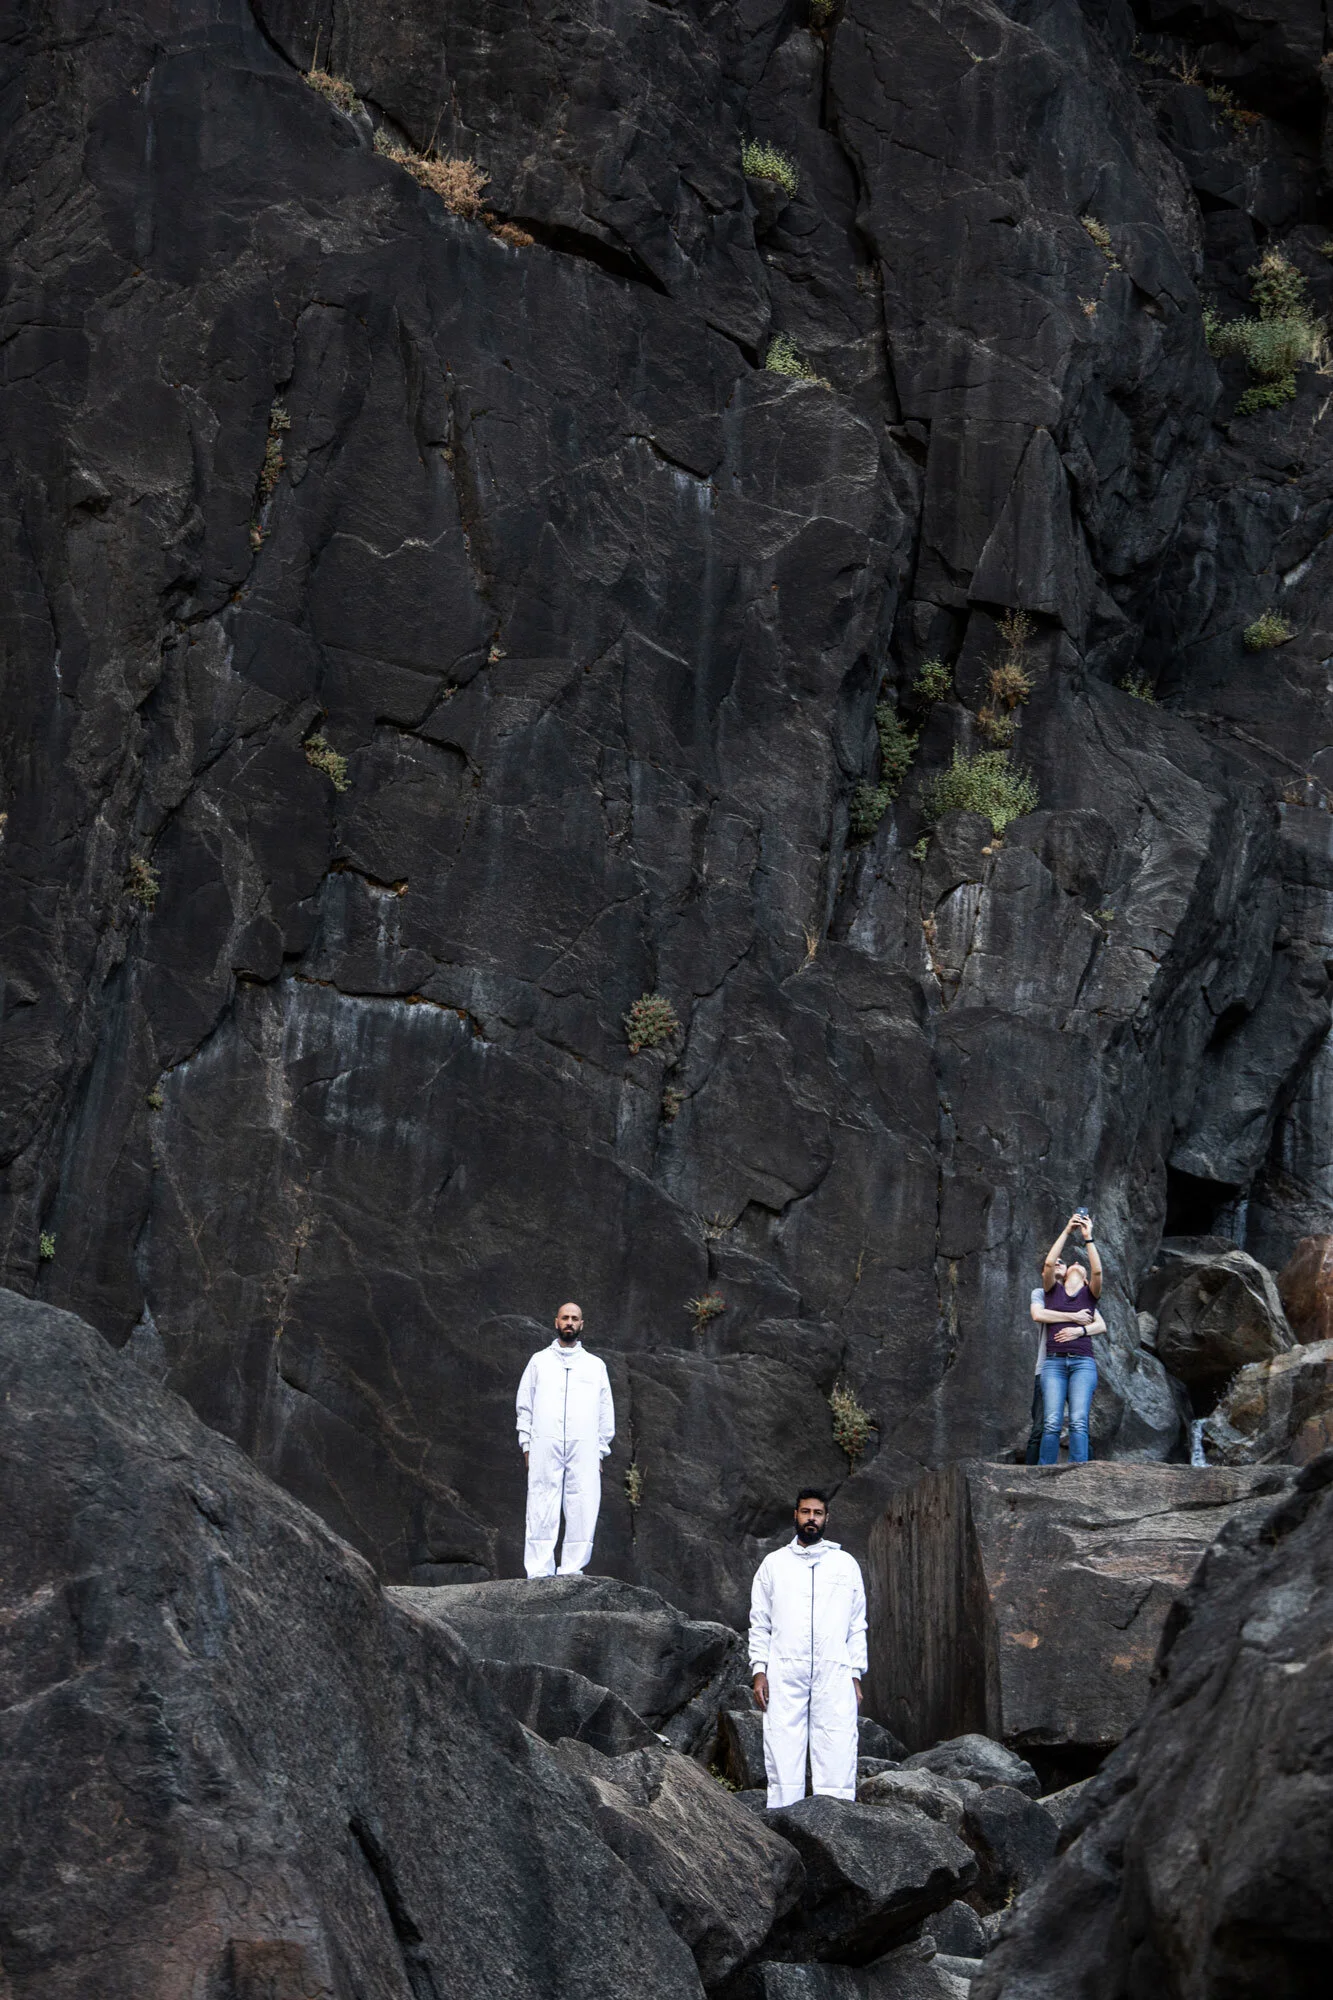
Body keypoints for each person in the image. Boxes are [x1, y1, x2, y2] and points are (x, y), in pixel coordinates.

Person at [749, 1489, 867, 1808]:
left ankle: (836, 1821)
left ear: (827, 1518)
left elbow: (857, 1625)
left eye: (817, 1513)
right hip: (785, 1667)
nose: (811, 1518)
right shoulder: (774, 1565)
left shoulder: (845, 1565)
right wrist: (759, 1670)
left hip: (834, 1669)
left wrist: (855, 1674)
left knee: (837, 1742)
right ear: (796, 1515)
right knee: (782, 1744)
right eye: (805, 1512)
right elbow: (760, 1623)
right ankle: (783, 1819)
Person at [516, 1302, 614, 1578]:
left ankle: (572, 1568)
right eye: (565, 1317)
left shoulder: (595, 1366)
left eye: (574, 1318)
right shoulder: (539, 1361)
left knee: (583, 1502)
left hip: (583, 1444)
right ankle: (539, 1569)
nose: (569, 1322)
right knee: (540, 1501)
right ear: (556, 1322)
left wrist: (600, 1450)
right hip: (545, 1442)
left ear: (582, 1324)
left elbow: (605, 1411)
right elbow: (525, 1404)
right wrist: (527, 1445)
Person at [1036, 1213, 1103, 1465]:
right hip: (1053, 1363)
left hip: (1082, 1363)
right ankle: (1044, 1471)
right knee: (1052, 1422)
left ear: (1085, 1280)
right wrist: (1067, 1230)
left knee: (1078, 1421)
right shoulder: (1052, 1292)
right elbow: (1048, 1264)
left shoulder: (1089, 1294)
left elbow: (1097, 1270)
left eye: (1080, 1265)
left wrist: (1088, 1237)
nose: (1075, 1262)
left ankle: (1079, 1472)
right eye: (1072, 1264)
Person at [1025, 1260, 1107, 1463]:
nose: (1059, 1264)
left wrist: (1080, 1330)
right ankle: (1033, 1474)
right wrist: (1074, 1317)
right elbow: (1038, 1314)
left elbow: (1100, 1324)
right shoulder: (1042, 1293)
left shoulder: (1081, 1296)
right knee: (1043, 1426)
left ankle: (1084, 1470)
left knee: (1079, 1423)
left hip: (1078, 1363)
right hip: (1048, 1365)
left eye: (1063, 1262)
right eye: (1055, 1263)